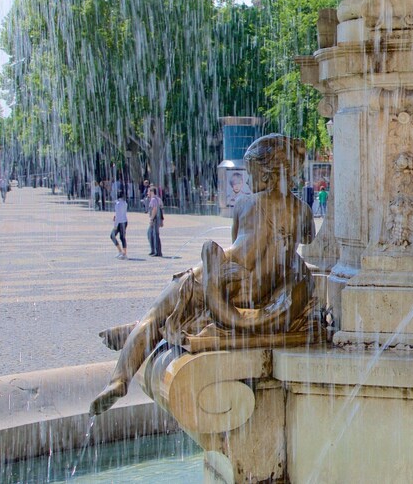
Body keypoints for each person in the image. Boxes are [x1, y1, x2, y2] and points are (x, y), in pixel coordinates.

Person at [90, 134, 316, 416]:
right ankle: (135, 332)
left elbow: (237, 244)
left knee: (156, 314)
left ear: (268, 176)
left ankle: (119, 379)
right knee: (164, 317)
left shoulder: (246, 205)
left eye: (252, 174)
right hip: (259, 293)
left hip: (225, 278)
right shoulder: (303, 212)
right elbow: (307, 239)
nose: (248, 182)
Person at [111, 190, 129, 259]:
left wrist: (115, 225)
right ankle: (122, 252)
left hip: (120, 222)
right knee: (122, 237)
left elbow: (118, 216)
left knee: (113, 236)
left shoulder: (118, 204)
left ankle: (122, 252)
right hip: (124, 221)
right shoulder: (125, 203)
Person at [147, 186, 163, 257]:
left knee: (154, 235)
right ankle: (155, 250)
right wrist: (162, 220)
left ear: (152, 192)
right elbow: (161, 209)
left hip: (155, 219)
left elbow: (154, 209)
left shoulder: (153, 200)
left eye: (149, 191)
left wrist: (151, 219)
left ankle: (156, 251)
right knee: (152, 234)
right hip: (157, 218)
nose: (148, 193)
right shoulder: (158, 199)